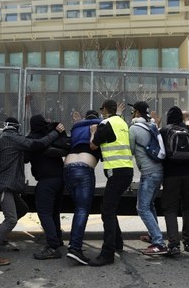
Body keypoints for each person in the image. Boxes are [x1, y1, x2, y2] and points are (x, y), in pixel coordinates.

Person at [0, 117, 65, 266]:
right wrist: (55, 133)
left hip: (11, 185)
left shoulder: (8, 138)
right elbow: (36, 144)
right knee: (11, 219)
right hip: (4, 185)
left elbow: (27, 155)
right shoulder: (10, 137)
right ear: (16, 128)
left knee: (23, 208)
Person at [88, 99, 134, 266]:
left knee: (106, 211)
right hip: (126, 170)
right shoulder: (121, 123)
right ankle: (118, 243)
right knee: (110, 208)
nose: (101, 112)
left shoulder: (105, 124)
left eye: (102, 109)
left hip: (117, 172)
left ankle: (107, 253)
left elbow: (93, 146)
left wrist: (93, 131)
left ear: (105, 109)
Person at [27, 114, 68, 260]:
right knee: (54, 212)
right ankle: (57, 239)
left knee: (44, 213)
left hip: (46, 181)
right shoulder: (52, 136)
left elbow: (25, 158)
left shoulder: (33, 139)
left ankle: (52, 247)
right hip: (60, 179)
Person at [128, 101, 167, 255]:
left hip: (149, 173)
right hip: (158, 171)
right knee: (149, 205)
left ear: (137, 112)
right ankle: (154, 236)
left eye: (133, 111)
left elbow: (130, 150)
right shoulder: (151, 125)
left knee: (142, 208)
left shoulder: (134, 128)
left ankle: (158, 242)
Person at [64, 110, 102, 265]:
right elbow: (94, 145)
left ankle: (74, 245)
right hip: (84, 169)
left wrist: (77, 123)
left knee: (78, 208)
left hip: (67, 169)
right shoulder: (98, 127)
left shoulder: (77, 128)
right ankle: (75, 248)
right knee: (82, 209)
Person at [159, 106, 189, 256]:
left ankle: (173, 244)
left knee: (170, 209)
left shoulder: (164, 131)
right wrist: (187, 120)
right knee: (188, 207)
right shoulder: (187, 130)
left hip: (171, 175)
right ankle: (188, 241)